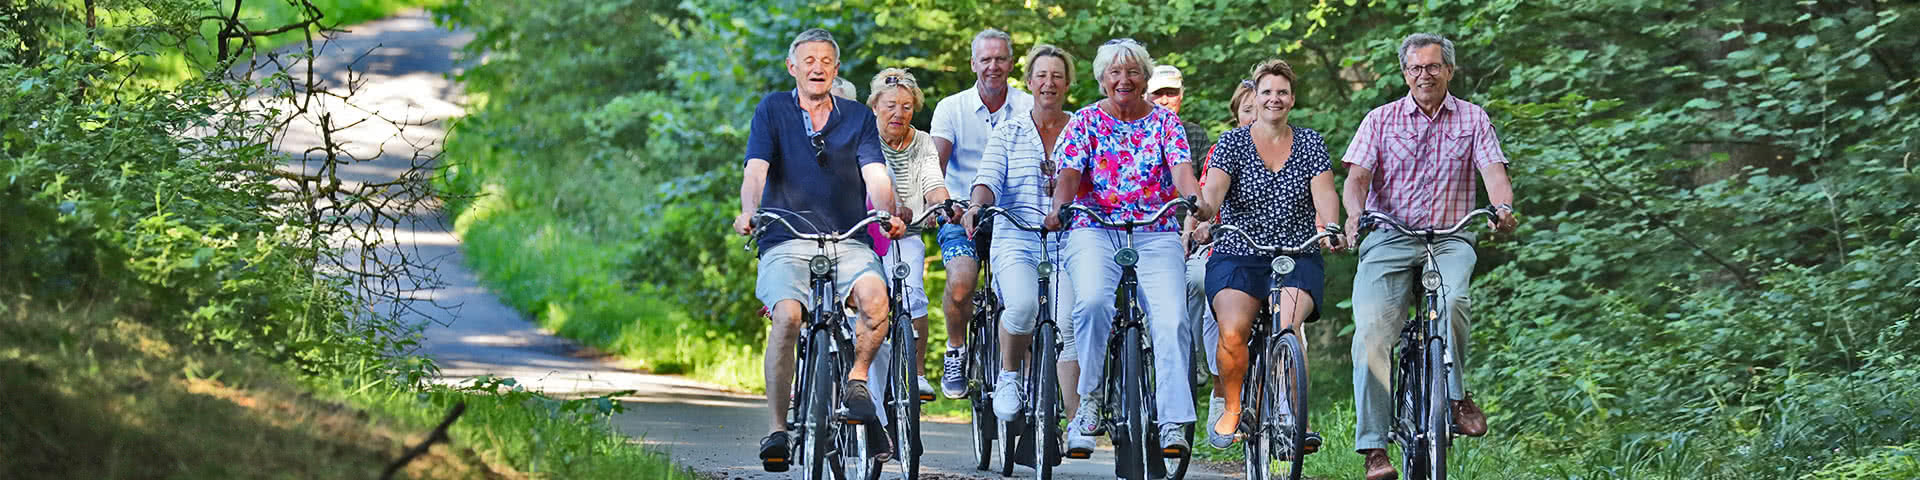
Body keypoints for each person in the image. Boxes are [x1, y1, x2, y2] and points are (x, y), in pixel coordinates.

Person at [1341, 33, 1518, 480]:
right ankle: (1374, 448)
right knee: (1372, 335)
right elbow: (1357, 178)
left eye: (1433, 66)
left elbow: (1493, 173)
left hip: (1450, 236)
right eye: (1416, 68)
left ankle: (1455, 396)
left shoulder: (1473, 119)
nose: (1425, 74)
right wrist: (1355, 215)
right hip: (1389, 235)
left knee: (1455, 299)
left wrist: (1503, 208)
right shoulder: (1379, 119)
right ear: (1405, 73)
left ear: (1449, 71)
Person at [734, 28, 908, 471]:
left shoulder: (856, 117)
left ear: (835, 69)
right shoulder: (773, 109)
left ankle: (857, 380)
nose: (817, 67)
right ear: (793, 67)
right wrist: (749, 212)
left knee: (875, 301)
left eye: (826, 61)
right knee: (789, 316)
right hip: (785, 238)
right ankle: (777, 429)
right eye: (808, 60)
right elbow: (756, 170)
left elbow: (875, 174)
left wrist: (886, 211)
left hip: (847, 238)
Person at [1043, 38, 1202, 458]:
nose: (1124, 79)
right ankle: (1088, 403)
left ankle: (1173, 421)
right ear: (1101, 80)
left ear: (1145, 79)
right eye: (1115, 72)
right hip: (1094, 227)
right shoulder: (1084, 122)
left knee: (1171, 321)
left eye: (1132, 72)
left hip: (1155, 228)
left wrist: (1195, 200)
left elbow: (1183, 173)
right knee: (1092, 303)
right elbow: (1069, 174)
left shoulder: (1167, 124)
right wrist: (1061, 206)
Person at [1190, 59, 1341, 450]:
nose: (1274, 99)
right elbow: (1214, 193)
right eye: (1267, 92)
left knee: (1288, 327)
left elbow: (1325, 194)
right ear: (1254, 98)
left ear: (1292, 99)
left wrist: (1330, 228)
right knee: (1232, 331)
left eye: (1282, 92)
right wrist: (1205, 215)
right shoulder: (1232, 143)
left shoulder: (1309, 143)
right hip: (1239, 251)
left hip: (1295, 253)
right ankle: (1234, 406)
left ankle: (1291, 415)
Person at [958, 44, 1082, 421]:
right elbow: (988, 178)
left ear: (1067, 85)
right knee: (1024, 306)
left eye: (1057, 77)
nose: (1049, 83)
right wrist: (977, 205)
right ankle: (1010, 374)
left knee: (1070, 323)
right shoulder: (1009, 132)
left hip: (1068, 243)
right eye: (1041, 76)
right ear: (1029, 82)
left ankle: (1077, 421)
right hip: (1017, 238)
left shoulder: (1081, 128)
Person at [929, 27, 1034, 399]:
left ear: (1011, 62)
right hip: (961, 213)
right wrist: (940, 202)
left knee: (1028, 297)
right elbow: (936, 164)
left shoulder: (1027, 106)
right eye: (985, 59)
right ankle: (956, 350)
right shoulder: (951, 108)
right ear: (973, 63)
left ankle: (1027, 374)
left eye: (1000, 58)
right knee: (961, 284)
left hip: (1016, 215)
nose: (993, 66)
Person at [867, 68, 947, 398]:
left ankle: (916, 371)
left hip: (906, 235)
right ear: (874, 106)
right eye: (890, 105)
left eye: (907, 106)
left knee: (913, 292)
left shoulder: (923, 141)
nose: (899, 113)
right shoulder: (864, 138)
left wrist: (942, 206)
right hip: (865, 235)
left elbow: (933, 181)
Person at [1189, 79, 1258, 433]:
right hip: (1225, 244)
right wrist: (1197, 228)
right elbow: (1205, 198)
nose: (1254, 116)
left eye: (1258, 108)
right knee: (1210, 285)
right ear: (1236, 116)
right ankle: (1219, 388)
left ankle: (1290, 406)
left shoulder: (1292, 147)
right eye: (1247, 111)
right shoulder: (1223, 150)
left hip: (1272, 252)